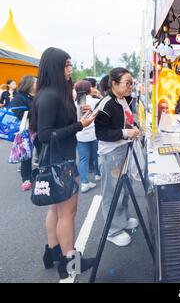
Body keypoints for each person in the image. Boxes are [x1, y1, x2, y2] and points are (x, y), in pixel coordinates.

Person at [30, 47, 96, 279]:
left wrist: (79, 115)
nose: (70, 69)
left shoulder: (52, 93)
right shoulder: (50, 95)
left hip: (59, 160)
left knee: (57, 209)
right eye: (66, 65)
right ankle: (70, 261)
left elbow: (55, 127)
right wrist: (80, 125)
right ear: (55, 67)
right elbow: (46, 134)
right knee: (68, 212)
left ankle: (53, 252)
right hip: (61, 162)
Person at [95, 67, 140, 247]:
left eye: (132, 83)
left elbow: (128, 120)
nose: (130, 87)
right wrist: (125, 132)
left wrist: (133, 128)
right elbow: (101, 133)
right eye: (127, 83)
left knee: (124, 188)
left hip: (124, 148)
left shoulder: (123, 100)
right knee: (112, 192)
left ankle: (121, 220)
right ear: (114, 84)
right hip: (111, 153)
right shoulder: (106, 104)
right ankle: (112, 230)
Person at [10, 75, 39, 191]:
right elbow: (19, 113)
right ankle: (26, 179)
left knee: (43, 152)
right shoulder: (19, 97)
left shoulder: (38, 95)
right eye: (36, 82)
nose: (38, 84)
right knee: (26, 156)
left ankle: (43, 175)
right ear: (29, 84)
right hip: (26, 131)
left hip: (39, 129)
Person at [75, 80, 101, 193]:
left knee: (83, 159)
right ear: (89, 89)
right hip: (93, 133)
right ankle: (98, 174)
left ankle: (84, 183)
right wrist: (98, 94)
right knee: (97, 155)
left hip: (80, 134)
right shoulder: (94, 101)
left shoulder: (73, 102)